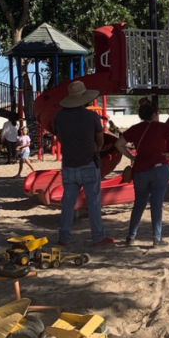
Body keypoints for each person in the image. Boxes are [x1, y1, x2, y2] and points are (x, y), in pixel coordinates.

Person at [53, 80, 115, 248]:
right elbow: (100, 140)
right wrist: (95, 150)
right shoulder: (92, 116)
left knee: (68, 202)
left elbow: (59, 137)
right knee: (93, 201)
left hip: (68, 164)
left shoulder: (59, 116)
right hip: (88, 162)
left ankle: (64, 236)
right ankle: (97, 237)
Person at [117, 99, 169, 247]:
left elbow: (118, 144)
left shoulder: (135, 129)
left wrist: (131, 156)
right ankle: (156, 239)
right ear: (154, 114)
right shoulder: (162, 127)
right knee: (156, 203)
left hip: (141, 169)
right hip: (160, 168)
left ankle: (131, 237)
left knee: (139, 204)